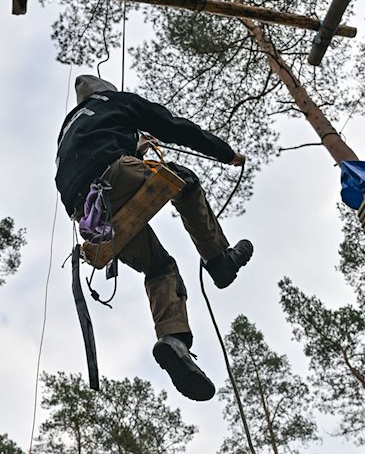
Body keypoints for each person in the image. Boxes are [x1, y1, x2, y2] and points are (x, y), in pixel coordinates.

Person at [55, 74, 253, 401]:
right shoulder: (113, 102)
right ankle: (219, 261)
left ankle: (173, 340)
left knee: (159, 266)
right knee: (183, 180)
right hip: (112, 176)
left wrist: (133, 144)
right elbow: (172, 125)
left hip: (90, 218)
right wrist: (225, 153)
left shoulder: (68, 130)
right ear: (107, 93)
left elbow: (89, 153)